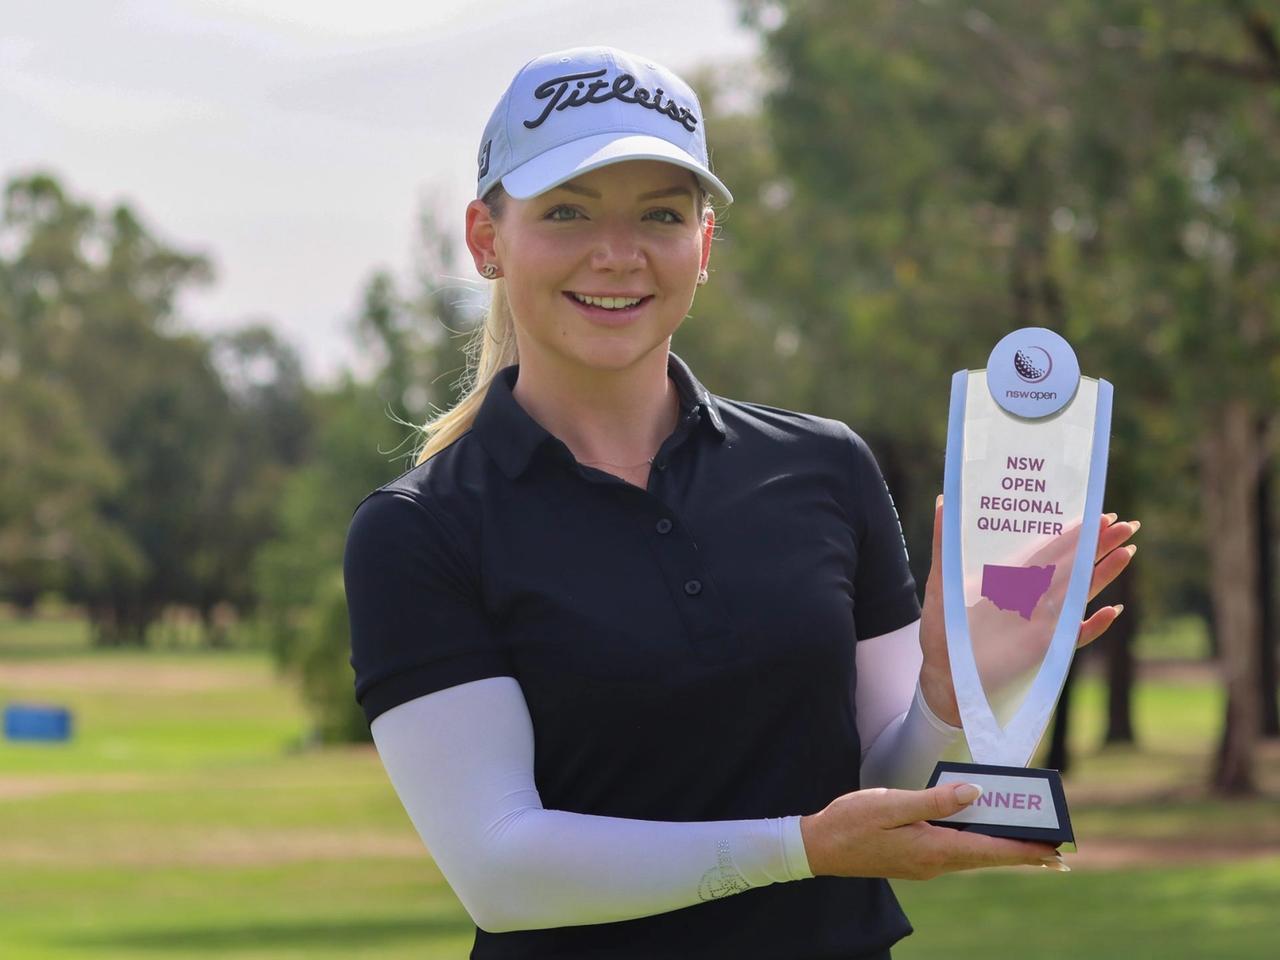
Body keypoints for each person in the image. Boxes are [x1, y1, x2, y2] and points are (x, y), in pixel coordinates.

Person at [342, 45, 1139, 960]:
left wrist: (947, 700)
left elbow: (883, 797)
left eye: (661, 214)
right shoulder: (420, 529)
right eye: (567, 212)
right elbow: (503, 869)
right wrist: (801, 850)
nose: (617, 253)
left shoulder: (826, 467)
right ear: (488, 238)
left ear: (704, 245)